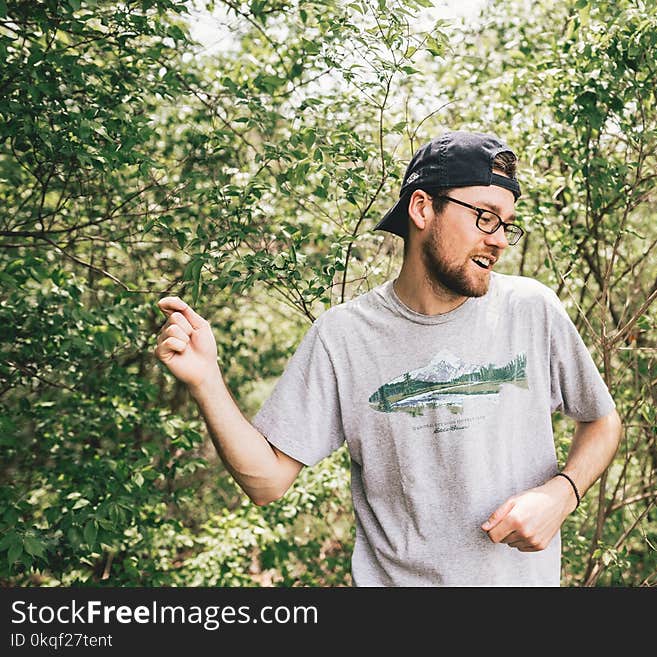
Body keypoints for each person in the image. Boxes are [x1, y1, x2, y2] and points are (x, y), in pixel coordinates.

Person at [155, 131, 622, 586]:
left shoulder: (531, 310)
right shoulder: (345, 337)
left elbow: (602, 423)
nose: (499, 239)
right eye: (485, 217)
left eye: (506, 224)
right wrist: (206, 381)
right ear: (422, 208)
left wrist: (563, 494)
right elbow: (267, 481)